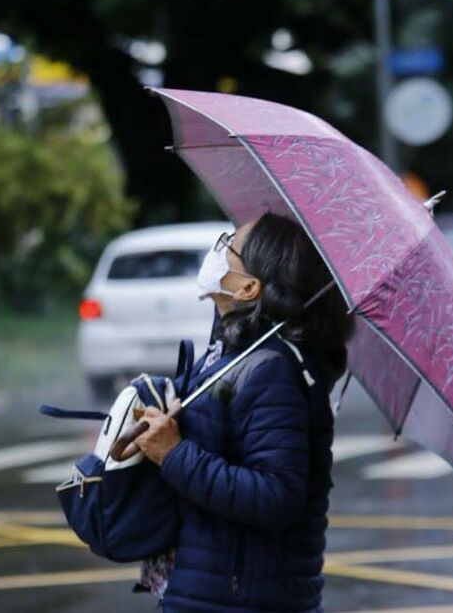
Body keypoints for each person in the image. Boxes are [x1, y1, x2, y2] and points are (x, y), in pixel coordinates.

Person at [129, 212, 355, 612]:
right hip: (211, 592)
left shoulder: (272, 370)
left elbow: (276, 496)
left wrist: (175, 453)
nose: (216, 252)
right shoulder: (235, 355)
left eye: (227, 247)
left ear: (249, 287)